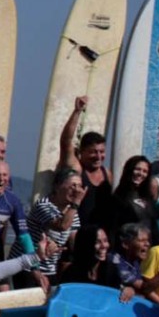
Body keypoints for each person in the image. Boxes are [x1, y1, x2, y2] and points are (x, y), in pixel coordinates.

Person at [20, 167, 85, 291]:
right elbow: (61, 226)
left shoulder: (72, 212)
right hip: (28, 266)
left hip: (50, 268)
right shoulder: (43, 206)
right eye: (72, 186)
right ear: (57, 187)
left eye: (79, 187)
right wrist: (76, 203)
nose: (77, 191)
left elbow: (74, 242)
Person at [55, 95, 114, 224]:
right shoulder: (77, 168)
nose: (98, 156)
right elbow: (66, 141)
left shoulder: (107, 174)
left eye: (102, 152)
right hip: (75, 232)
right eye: (93, 152)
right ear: (81, 152)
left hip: (98, 234)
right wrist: (77, 111)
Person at [110, 155, 155, 231]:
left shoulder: (148, 197)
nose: (140, 173)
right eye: (137, 169)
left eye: (145, 171)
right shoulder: (118, 197)